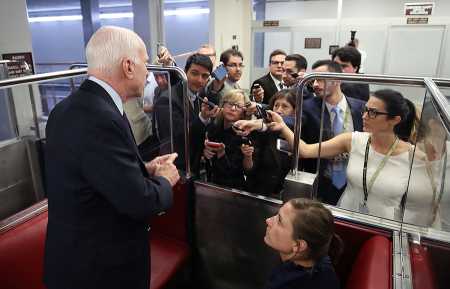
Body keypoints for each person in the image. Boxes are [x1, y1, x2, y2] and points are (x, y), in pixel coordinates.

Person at [43, 26, 180, 289]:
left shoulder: (68, 108)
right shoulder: (101, 118)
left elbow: (98, 174)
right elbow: (141, 202)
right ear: (128, 66)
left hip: (74, 263)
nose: (149, 71)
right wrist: (164, 180)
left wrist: (144, 169)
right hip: (99, 273)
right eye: (145, 63)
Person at [235, 89, 416, 220]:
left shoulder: (413, 156)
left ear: (395, 120)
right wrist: (281, 126)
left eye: (373, 112)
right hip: (347, 215)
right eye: (366, 110)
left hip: (386, 223)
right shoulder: (353, 140)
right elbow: (306, 150)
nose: (365, 116)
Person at [302, 60, 365, 205]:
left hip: (353, 182)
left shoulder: (359, 108)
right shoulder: (308, 107)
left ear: (337, 79)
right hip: (321, 181)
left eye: (320, 79)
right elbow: (292, 121)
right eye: (313, 80)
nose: (315, 85)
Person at [264, 198, 342, 289]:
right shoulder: (319, 259)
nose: (268, 220)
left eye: (280, 221)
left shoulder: (285, 285)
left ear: (299, 245)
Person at [246, 90, 295, 196]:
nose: (279, 110)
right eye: (276, 105)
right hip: (259, 191)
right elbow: (251, 167)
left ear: (294, 111)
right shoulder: (261, 130)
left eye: (285, 106)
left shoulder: (296, 134)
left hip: (285, 191)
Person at [203, 89, 254, 189]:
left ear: (244, 112)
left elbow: (238, 171)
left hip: (234, 188)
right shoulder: (214, 127)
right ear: (222, 105)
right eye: (230, 103)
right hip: (211, 184)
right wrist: (205, 153)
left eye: (238, 106)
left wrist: (221, 154)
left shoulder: (244, 134)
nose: (233, 108)